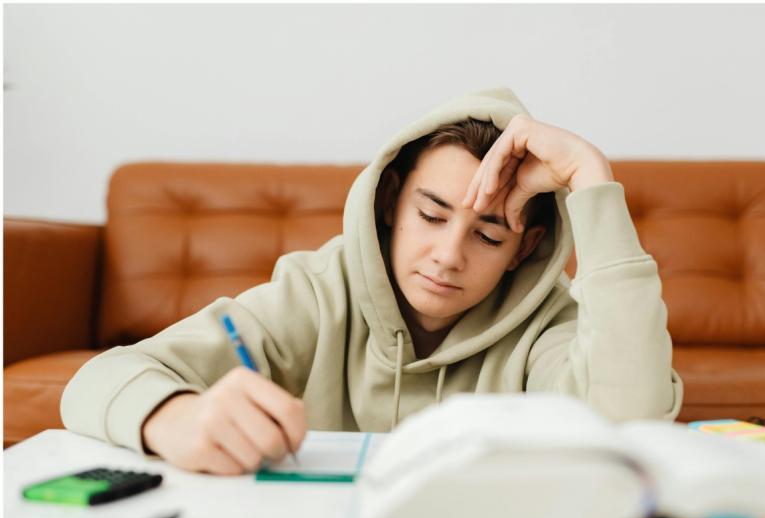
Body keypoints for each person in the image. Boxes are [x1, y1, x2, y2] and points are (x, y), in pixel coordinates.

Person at [61, 87, 684, 476]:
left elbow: (629, 421)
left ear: (525, 249)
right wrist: (175, 416)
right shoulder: (315, 291)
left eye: (488, 236)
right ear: (389, 203)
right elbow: (98, 380)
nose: (448, 256)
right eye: (431, 216)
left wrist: (592, 180)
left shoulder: (549, 322)